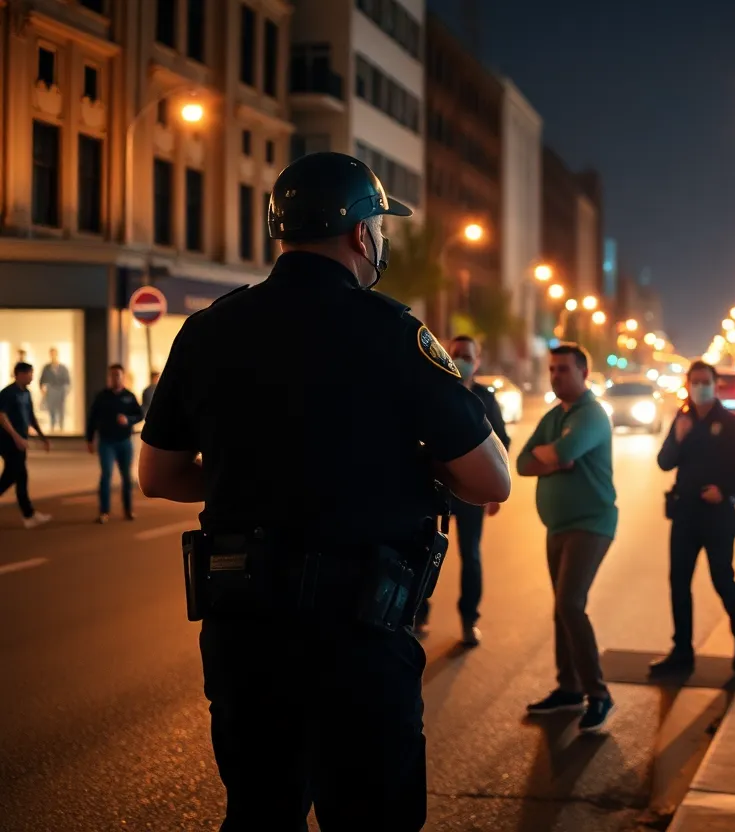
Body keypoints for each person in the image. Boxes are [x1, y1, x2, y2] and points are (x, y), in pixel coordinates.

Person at [137, 151, 512, 831]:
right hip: (358, 636)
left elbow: (158, 475)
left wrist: (241, 473)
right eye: (380, 226)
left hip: (245, 632)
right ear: (362, 233)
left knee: (260, 811)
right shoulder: (394, 332)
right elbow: (491, 478)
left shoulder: (207, 329)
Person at [517, 343, 618, 734]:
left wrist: (555, 455)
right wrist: (554, 458)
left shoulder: (591, 414)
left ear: (583, 373)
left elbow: (568, 449)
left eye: (563, 370)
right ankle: (569, 689)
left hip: (591, 523)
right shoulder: (553, 415)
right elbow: (524, 463)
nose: (556, 376)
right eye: (553, 370)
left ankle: (599, 693)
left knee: (570, 603)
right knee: (561, 607)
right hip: (558, 527)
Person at [650, 359, 735, 677]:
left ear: (715, 385)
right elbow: (664, 462)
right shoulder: (682, 420)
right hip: (685, 514)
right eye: (694, 382)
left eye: (705, 382)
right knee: (679, 583)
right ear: (687, 385)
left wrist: (725, 489)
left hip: (718, 515)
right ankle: (682, 651)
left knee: (722, 579)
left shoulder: (730, 423)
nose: (700, 387)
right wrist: (678, 438)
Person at [415, 334, 509, 646]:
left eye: (467, 355)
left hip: (469, 493)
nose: (460, 360)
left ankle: (469, 620)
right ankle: (418, 613)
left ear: (478, 361)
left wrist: (492, 491)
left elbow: (501, 445)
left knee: (471, 555)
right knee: (423, 551)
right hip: (434, 490)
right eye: (454, 353)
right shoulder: (432, 394)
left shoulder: (485, 398)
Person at [86, 363, 145, 523]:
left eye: (117, 375)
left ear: (123, 377)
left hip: (124, 442)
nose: (115, 378)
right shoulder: (102, 396)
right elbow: (92, 418)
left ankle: (128, 510)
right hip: (106, 442)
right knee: (106, 476)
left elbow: (140, 415)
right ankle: (104, 512)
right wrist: (89, 439)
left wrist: (128, 420)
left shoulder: (129, 396)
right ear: (109, 377)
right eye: (112, 375)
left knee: (127, 477)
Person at [0, 362, 52, 529]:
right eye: (29, 373)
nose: (31, 377)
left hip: (21, 441)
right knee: (12, 475)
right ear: (19, 374)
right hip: (7, 441)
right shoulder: (8, 393)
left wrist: (42, 437)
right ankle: (28, 515)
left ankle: (29, 515)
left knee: (20, 476)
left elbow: (30, 416)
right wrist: (15, 437)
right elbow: (2, 416)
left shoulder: (27, 393)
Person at [39, 348, 72, 432]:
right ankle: (53, 427)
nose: (53, 356)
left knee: (61, 410)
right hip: (51, 391)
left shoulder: (63, 368)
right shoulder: (46, 368)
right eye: (51, 354)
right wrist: (42, 389)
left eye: (54, 354)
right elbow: (42, 380)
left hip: (61, 391)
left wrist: (66, 391)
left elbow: (68, 381)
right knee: (52, 410)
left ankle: (61, 427)